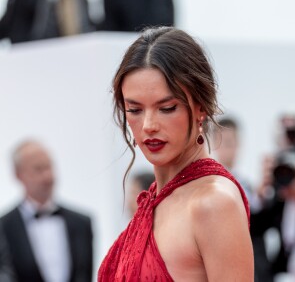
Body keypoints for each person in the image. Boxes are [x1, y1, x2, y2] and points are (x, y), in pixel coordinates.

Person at [98, 26, 254, 281]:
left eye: (167, 108)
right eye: (134, 110)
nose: (148, 125)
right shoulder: (153, 202)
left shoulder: (214, 203)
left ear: (201, 106)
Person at [0, 140, 93, 282]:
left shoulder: (82, 223)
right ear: (18, 175)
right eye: (38, 169)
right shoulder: (4, 226)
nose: (47, 176)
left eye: (49, 167)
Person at [213, 117, 274, 282]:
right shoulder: (212, 181)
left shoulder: (245, 182)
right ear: (213, 144)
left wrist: (262, 193)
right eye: (224, 142)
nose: (230, 148)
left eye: (232, 142)